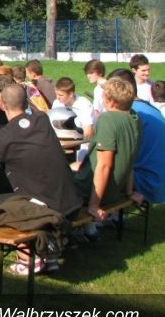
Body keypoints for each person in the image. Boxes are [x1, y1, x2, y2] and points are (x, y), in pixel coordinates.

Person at [0, 83, 83, 274]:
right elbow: (30, 117)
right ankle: (48, 254)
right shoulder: (42, 120)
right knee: (12, 193)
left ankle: (28, 258)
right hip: (71, 203)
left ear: (1, 105)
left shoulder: (4, 136)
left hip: (48, 211)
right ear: (26, 102)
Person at [74, 77, 140, 218]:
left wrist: (94, 205)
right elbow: (130, 159)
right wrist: (129, 192)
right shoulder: (135, 118)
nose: (102, 100)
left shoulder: (108, 119)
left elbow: (104, 165)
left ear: (111, 101)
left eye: (103, 96)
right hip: (114, 192)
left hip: (89, 191)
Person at [107, 69, 165, 204]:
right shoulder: (151, 109)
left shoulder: (129, 113)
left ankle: (100, 215)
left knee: (87, 175)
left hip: (147, 182)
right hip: (159, 179)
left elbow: (112, 157)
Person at [52, 77, 95, 163]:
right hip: (61, 144)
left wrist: (71, 144)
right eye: (56, 94)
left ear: (71, 94)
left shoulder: (84, 104)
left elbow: (88, 133)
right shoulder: (57, 104)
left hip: (81, 145)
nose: (57, 97)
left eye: (61, 95)